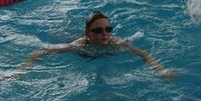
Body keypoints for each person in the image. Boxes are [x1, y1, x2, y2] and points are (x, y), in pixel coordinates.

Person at [16, 11, 176, 79]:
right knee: (59, 35)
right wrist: (20, 71)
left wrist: (161, 69)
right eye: (98, 30)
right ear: (88, 33)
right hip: (76, 40)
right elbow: (40, 52)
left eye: (108, 29)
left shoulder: (117, 43)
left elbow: (143, 54)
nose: (105, 33)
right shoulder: (78, 46)